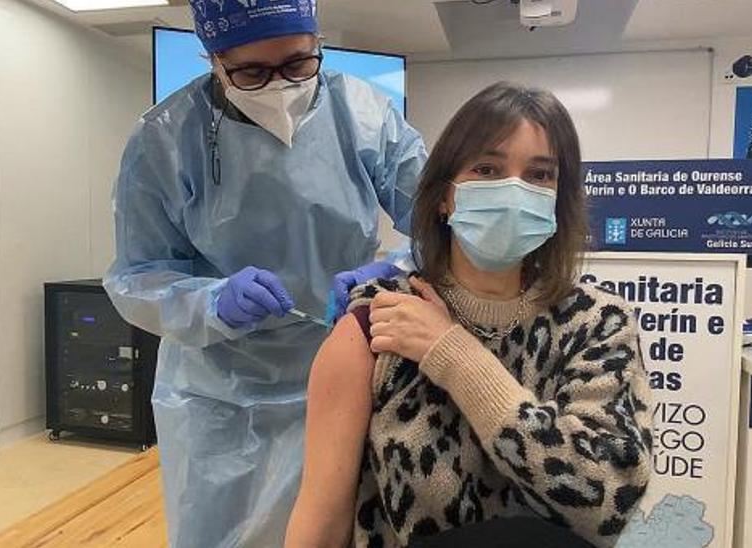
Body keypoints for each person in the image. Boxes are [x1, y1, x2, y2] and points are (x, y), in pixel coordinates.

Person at [103, 1, 426, 546]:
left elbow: (442, 228)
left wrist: (391, 271)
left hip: (341, 373)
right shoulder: (165, 140)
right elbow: (136, 275)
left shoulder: (363, 115)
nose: (280, 86)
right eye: (252, 72)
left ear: (317, 42)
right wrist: (209, 302)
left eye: (299, 64)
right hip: (218, 399)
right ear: (212, 59)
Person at [284, 82, 653, 548]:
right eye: (487, 169)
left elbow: (604, 501)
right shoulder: (377, 325)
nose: (513, 190)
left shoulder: (598, 325)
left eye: (539, 176)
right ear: (444, 195)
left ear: (560, 199)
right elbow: (321, 521)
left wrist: (457, 357)